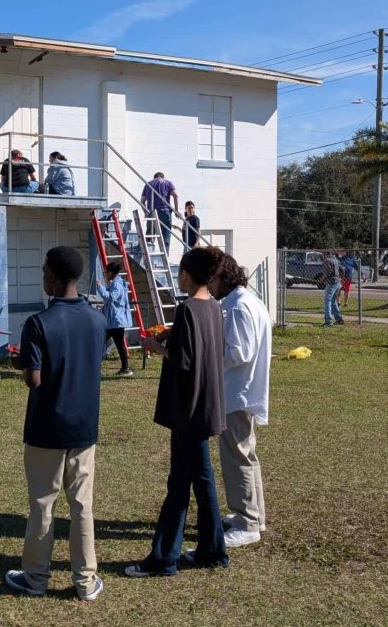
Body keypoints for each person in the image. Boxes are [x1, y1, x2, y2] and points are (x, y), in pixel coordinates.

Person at [3, 246, 107, 602]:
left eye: (43, 271)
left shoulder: (37, 323)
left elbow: (34, 379)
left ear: (52, 276)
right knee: (82, 505)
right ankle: (84, 580)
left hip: (46, 428)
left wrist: (21, 361)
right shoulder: (97, 319)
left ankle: (35, 578)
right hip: (83, 427)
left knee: (43, 503)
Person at [127, 247, 229, 577]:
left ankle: (164, 559)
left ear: (186, 274)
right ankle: (210, 551)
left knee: (185, 484)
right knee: (197, 479)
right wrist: (170, 337)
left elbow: (183, 361)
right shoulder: (214, 306)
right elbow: (198, 349)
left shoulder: (187, 308)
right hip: (207, 404)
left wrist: (155, 346)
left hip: (188, 408)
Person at [211, 253, 271, 549]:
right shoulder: (247, 301)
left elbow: (239, 353)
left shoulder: (237, 307)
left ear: (223, 277)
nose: (209, 288)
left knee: (237, 458)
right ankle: (253, 516)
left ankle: (247, 521)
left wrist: (210, 350)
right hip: (243, 391)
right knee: (246, 456)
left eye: (211, 281)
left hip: (237, 392)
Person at [94, 260, 133, 376]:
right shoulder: (115, 283)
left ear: (111, 273)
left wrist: (100, 287)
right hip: (112, 321)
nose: (104, 274)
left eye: (105, 272)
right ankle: (125, 368)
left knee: (105, 344)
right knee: (109, 344)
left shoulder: (117, 285)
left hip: (115, 322)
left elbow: (110, 297)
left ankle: (125, 368)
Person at [140, 172, 179, 254]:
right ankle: (165, 255)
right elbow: (176, 195)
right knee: (165, 234)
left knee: (150, 232)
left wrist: (146, 212)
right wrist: (176, 210)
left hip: (152, 212)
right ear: (163, 177)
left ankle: (148, 253)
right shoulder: (168, 183)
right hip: (164, 211)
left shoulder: (148, 184)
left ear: (154, 177)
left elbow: (142, 201)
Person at [320, 251, 345, 327]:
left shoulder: (327, 260)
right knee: (333, 301)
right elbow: (343, 269)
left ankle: (329, 321)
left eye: (324, 254)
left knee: (327, 301)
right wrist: (342, 278)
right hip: (338, 282)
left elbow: (328, 272)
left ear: (326, 254)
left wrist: (322, 279)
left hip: (332, 283)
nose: (324, 256)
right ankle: (339, 319)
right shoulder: (337, 260)